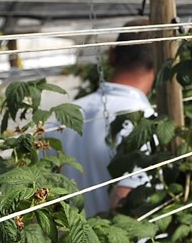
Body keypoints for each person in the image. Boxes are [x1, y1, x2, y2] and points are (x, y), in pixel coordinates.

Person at [59, 21, 158, 216]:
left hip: (65, 235)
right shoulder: (143, 122)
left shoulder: (61, 116)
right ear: (159, 62)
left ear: (112, 54)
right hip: (115, 236)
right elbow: (125, 204)